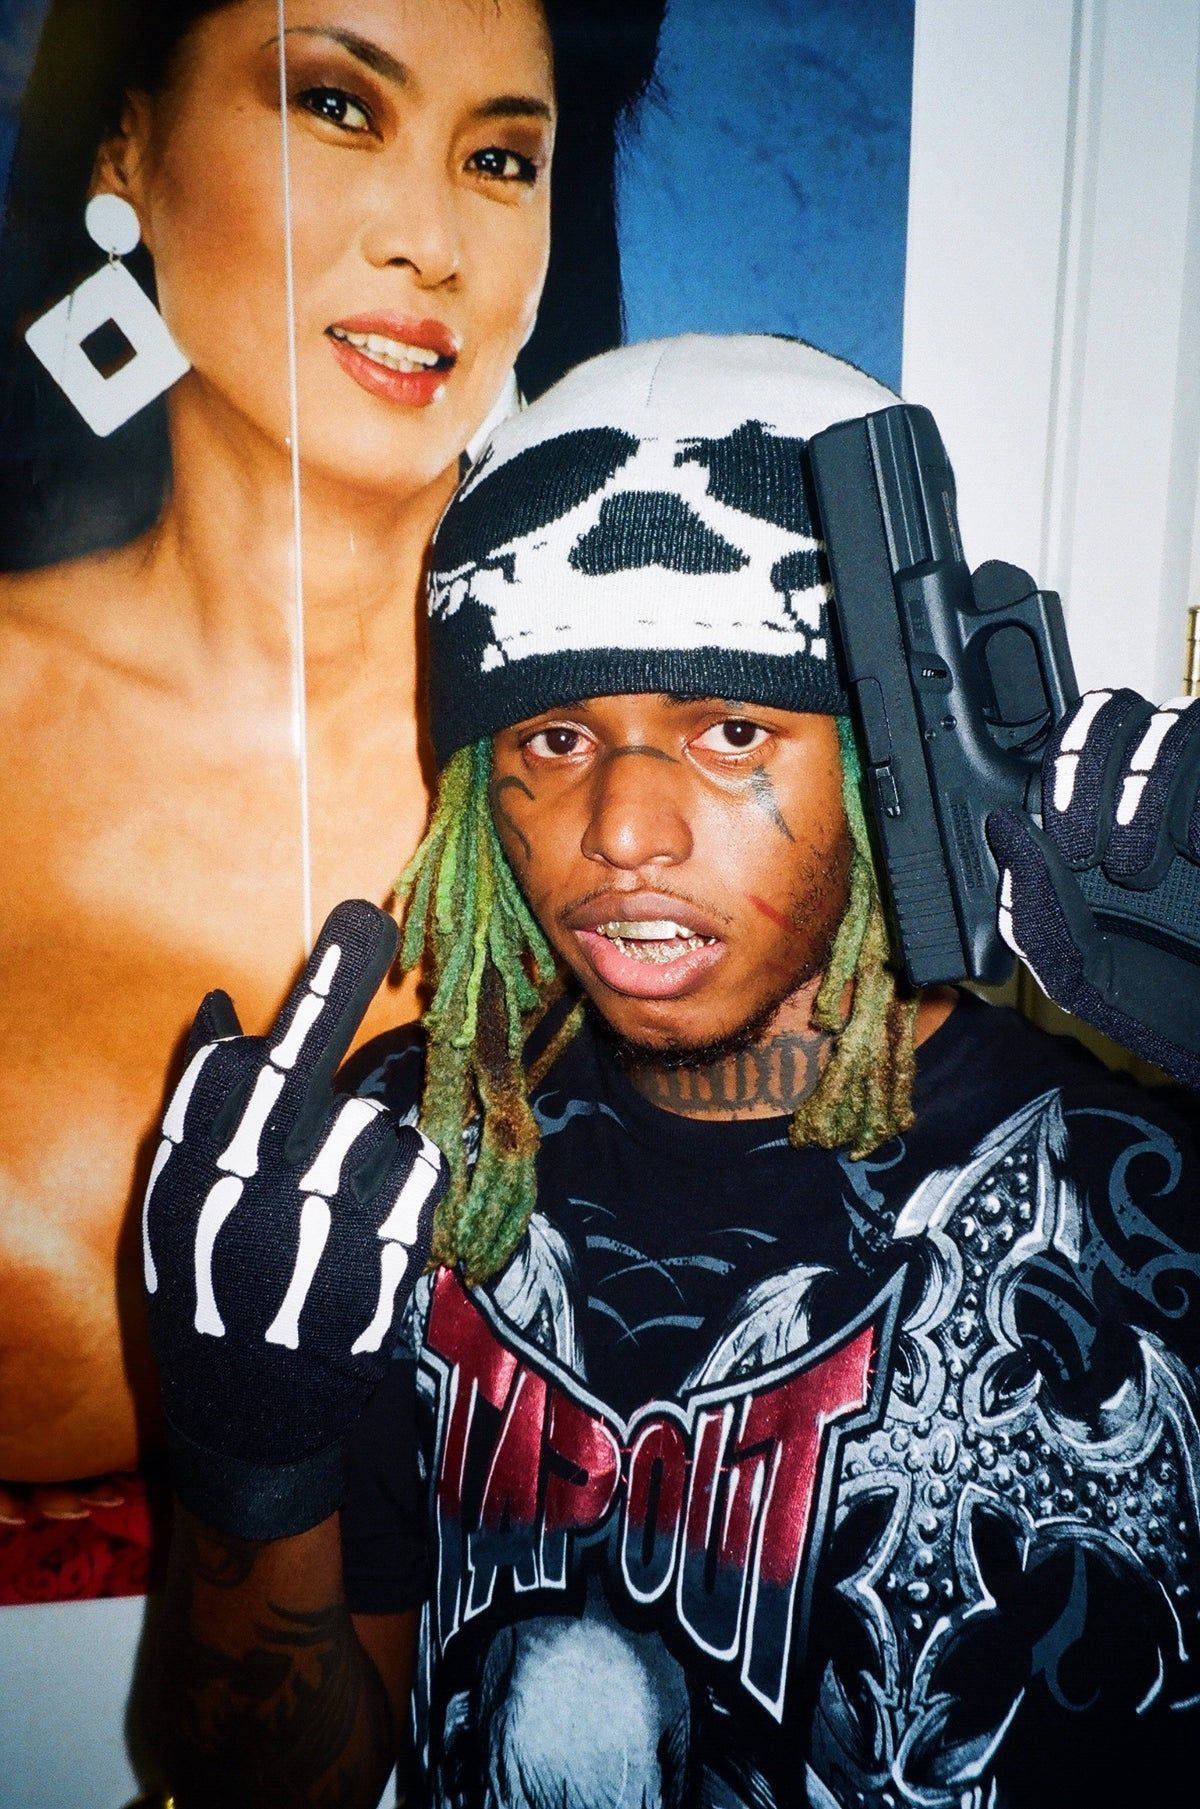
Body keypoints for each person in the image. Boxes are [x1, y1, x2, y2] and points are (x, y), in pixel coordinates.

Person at [143, 335, 1200, 1807]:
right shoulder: (391, 1167)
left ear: (892, 759)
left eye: (731, 729)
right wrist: (246, 1464)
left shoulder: (1138, 1194)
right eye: (556, 735)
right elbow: (264, 1783)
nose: (622, 829)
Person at [0, 0, 664, 1519]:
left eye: (500, 158)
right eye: (338, 106)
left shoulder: (660, 791)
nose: (430, 242)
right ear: (127, 143)